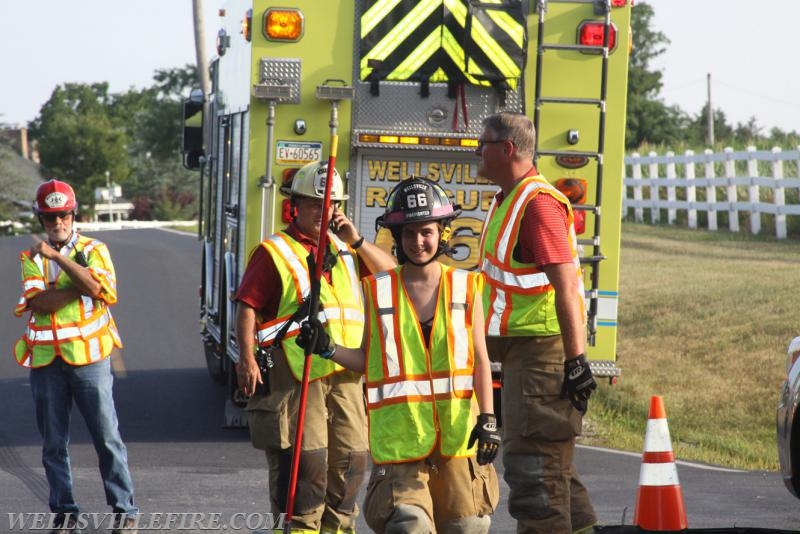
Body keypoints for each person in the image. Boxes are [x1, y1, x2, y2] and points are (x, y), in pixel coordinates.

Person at [298, 177, 501, 534]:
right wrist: (327, 348)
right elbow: (369, 360)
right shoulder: (378, 291)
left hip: (459, 440)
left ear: (442, 233)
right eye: (408, 233)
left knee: (469, 526)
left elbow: (481, 359)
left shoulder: (466, 286)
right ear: (397, 237)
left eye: (426, 231)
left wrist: (488, 419)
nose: (418, 241)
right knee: (411, 526)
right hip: (401, 446)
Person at [234, 161, 396, 534]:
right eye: (317, 204)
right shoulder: (275, 252)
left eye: (334, 205)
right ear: (297, 206)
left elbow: (392, 278)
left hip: (345, 374)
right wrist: (246, 359)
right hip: (297, 375)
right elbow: (247, 306)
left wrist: (357, 241)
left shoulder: (347, 250)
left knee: (352, 462)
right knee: (307, 468)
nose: (327, 212)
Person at [475, 112, 599, 534]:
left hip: (540, 354)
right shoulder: (507, 198)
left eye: (483, 143)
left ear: (506, 149)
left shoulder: (537, 205)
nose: (477, 151)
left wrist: (576, 360)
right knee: (555, 470)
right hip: (521, 351)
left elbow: (566, 286)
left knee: (535, 475)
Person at [13, 179, 138, 534]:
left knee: (107, 439)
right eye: (50, 218)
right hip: (47, 363)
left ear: (73, 214)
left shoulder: (95, 249)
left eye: (63, 215)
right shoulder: (28, 258)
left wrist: (56, 260)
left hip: (90, 359)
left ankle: (125, 511)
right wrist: (79, 283)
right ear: (41, 219)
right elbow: (39, 303)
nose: (58, 224)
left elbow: (102, 290)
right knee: (54, 444)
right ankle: (65, 514)